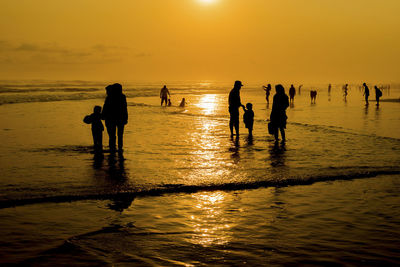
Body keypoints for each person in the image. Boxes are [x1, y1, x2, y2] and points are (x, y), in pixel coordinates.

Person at [102, 83, 128, 152]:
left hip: (111, 119)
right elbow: (124, 108)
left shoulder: (110, 97)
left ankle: (112, 148)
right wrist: (126, 118)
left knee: (112, 135)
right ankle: (119, 148)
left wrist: (103, 115)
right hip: (120, 118)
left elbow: (105, 107)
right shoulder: (122, 97)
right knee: (120, 135)